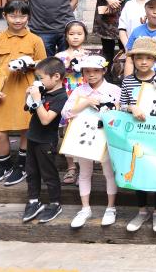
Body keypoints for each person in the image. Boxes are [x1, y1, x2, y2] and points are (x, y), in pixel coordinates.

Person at [0, 0, 46, 186]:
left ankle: (22, 166)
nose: (18, 20)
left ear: (28, 17)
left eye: (22, 16)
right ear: (4, 16)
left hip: (26, 90)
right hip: (1, 91)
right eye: (13, 16)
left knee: (27, 130)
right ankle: (4, 165)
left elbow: (43, 65)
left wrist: (30, 64)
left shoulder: (35, 40)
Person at [61, 55, 121, 228]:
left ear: (104, 71)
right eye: (87, 71)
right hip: (84, 136)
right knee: (84, 172)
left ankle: (111, 207)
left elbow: (120, 112)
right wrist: (86, 102)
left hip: (105, 137)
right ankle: (85, 208)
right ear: (83, 73)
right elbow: (66, 112)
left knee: (108, 172)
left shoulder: (114, 90)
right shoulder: (79, 91)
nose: (92, 74)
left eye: (96, 70)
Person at [121, 37, 156, 232]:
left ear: (155, 60)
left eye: (148, 58)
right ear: (133, 60)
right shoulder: (128, 81)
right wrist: (130, 107)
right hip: (136, 135)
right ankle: (141, 210)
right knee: (137, 171)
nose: (143, 62)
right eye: (139, 58)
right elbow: (121, 105)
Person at [21, 57, 68, 223]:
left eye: (41, 78)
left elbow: (46, 120)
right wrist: (29, 96)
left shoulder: (61, 97)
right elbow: (27, 108)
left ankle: (55, 203)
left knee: (49, 173)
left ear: (56, 77)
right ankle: (33, 201)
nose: (38, 81)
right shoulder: (43, 91)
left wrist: (37, 99)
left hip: (46, 141)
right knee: (31, 171)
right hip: (32, 137)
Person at [54, 20, 90, 185]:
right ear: (66, 36)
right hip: (66, 96)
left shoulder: (90, 56)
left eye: (79, 34)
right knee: (68, 132)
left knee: (84, 129)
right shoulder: (59, 56)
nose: (75, 37)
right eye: (72, 34)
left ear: (85, 36)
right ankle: (71, 167)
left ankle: (84, 169)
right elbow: (55, 77)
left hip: (85, 95)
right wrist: (68, 64)